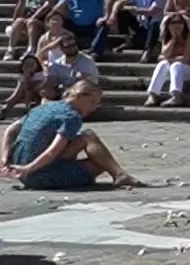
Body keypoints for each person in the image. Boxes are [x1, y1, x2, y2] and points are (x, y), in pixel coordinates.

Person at [1, 81, 140, 189]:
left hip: (21, 169)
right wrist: (27, 169)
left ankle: (120, 175)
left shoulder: (46, 106)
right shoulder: (71, 117)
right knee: (101, 164)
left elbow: (10, 130)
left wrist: (5, 157)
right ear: (79, 96)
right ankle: (119, 174)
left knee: (86, 136)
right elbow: (52, 151)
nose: (94, 107)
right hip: (38, 176)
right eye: (93, 102)